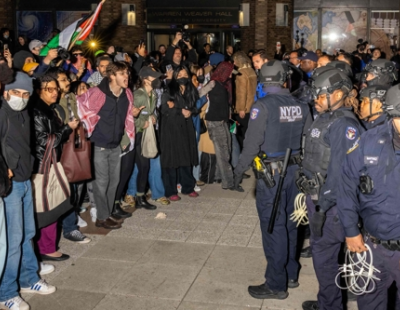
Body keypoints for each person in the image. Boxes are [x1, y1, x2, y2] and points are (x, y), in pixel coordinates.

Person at [234, 60, 309, 300]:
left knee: (273, 228)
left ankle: (276, 284)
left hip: (272, 177)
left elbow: (252, 144)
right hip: (296, 174)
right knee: (290, 225)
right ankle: (291, 274)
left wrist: (238, 170)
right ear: (283, 78)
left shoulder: (262, 106)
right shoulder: (302, 106)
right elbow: (308, 140)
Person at [298, 68, 363, 310]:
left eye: (319, 95)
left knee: (325, 261)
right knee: (323, 261)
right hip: (318, 200)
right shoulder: (326, 117)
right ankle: (328, 301)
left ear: (337, 94)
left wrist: (322, 208)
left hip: (330, 207)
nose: (315, 99)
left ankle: (330, 305)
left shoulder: (344, 124)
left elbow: (340, 174)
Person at [337, 84, 400, 310]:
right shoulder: (368, 141)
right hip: (371, 245)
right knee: (369, 302)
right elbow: (346, 186)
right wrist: (351, 231)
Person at [0, 72, 57, 310]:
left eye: (25, 94)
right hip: (11, 183)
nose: (21, 98)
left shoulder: (23, 111)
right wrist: (7, 167)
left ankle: (28, 278)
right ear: (5, 92)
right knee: (12, 241)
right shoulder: (2, 112)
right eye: (16, 93)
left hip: (24, 179)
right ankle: (6, 293)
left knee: (28, 232)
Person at [77, 62, 140, 229]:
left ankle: (108, 213)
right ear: (112, 76)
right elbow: (80, 106)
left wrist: (132, 114)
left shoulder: (127, 94)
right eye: (122, 74)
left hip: (115, 144)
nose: (126, 77)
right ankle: (102, 217)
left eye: (127, 73)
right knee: (102, 182)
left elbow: (126, 115)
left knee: (114, 182)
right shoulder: (97, 93)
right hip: (98, 144)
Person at [32, 74, 79, 263]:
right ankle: (46, 248)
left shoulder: (49, 109)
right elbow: (44, 141)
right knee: (47, 206)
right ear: (39, 91)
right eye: (49, 89)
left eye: (55, 88)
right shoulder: (37, 111)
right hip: (42, 166)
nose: (54, 92)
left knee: (55, 203)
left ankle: (48, 246)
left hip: (51, 162)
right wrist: (66, 128)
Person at [121, 66, 163, 210]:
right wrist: (141, 122)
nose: (157, 80)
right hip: (136, 134)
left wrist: (153, 117)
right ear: (145, 80)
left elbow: (152, 112)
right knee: (137, 167)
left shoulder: (153, 94)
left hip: (144, 133)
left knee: (144, 166)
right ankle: (131, 197)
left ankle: (139, 197)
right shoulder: (138, 95)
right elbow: (129, 116)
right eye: (154, 77)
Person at [160, 65, 199, 200]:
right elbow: (164, 109)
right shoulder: (169, 90)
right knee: (171, 160)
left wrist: (190, 111)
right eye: (179, 75)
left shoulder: (190, 90)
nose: (183, 77)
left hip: (186, 127)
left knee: (186, 157)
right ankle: (170, 191)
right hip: (171, 129)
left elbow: (195, 107)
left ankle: (188, 187)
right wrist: (179, 110)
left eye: (185, 75)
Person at [206, 61, 241, 191]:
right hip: (215, 122)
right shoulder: (213, 84)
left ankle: (218, 176)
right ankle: (229, 182)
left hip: (224, 120)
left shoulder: (223, 84)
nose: (232, 75)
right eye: (230, 73)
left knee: (227, 150)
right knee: (224, 153)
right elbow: (199, 95)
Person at [232, 51, 257, 149]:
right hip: (251, 106)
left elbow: (241, 93)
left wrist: (241, 108)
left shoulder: (241, 74)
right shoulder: (251, 71)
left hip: (243, 109)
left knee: (240, 133)